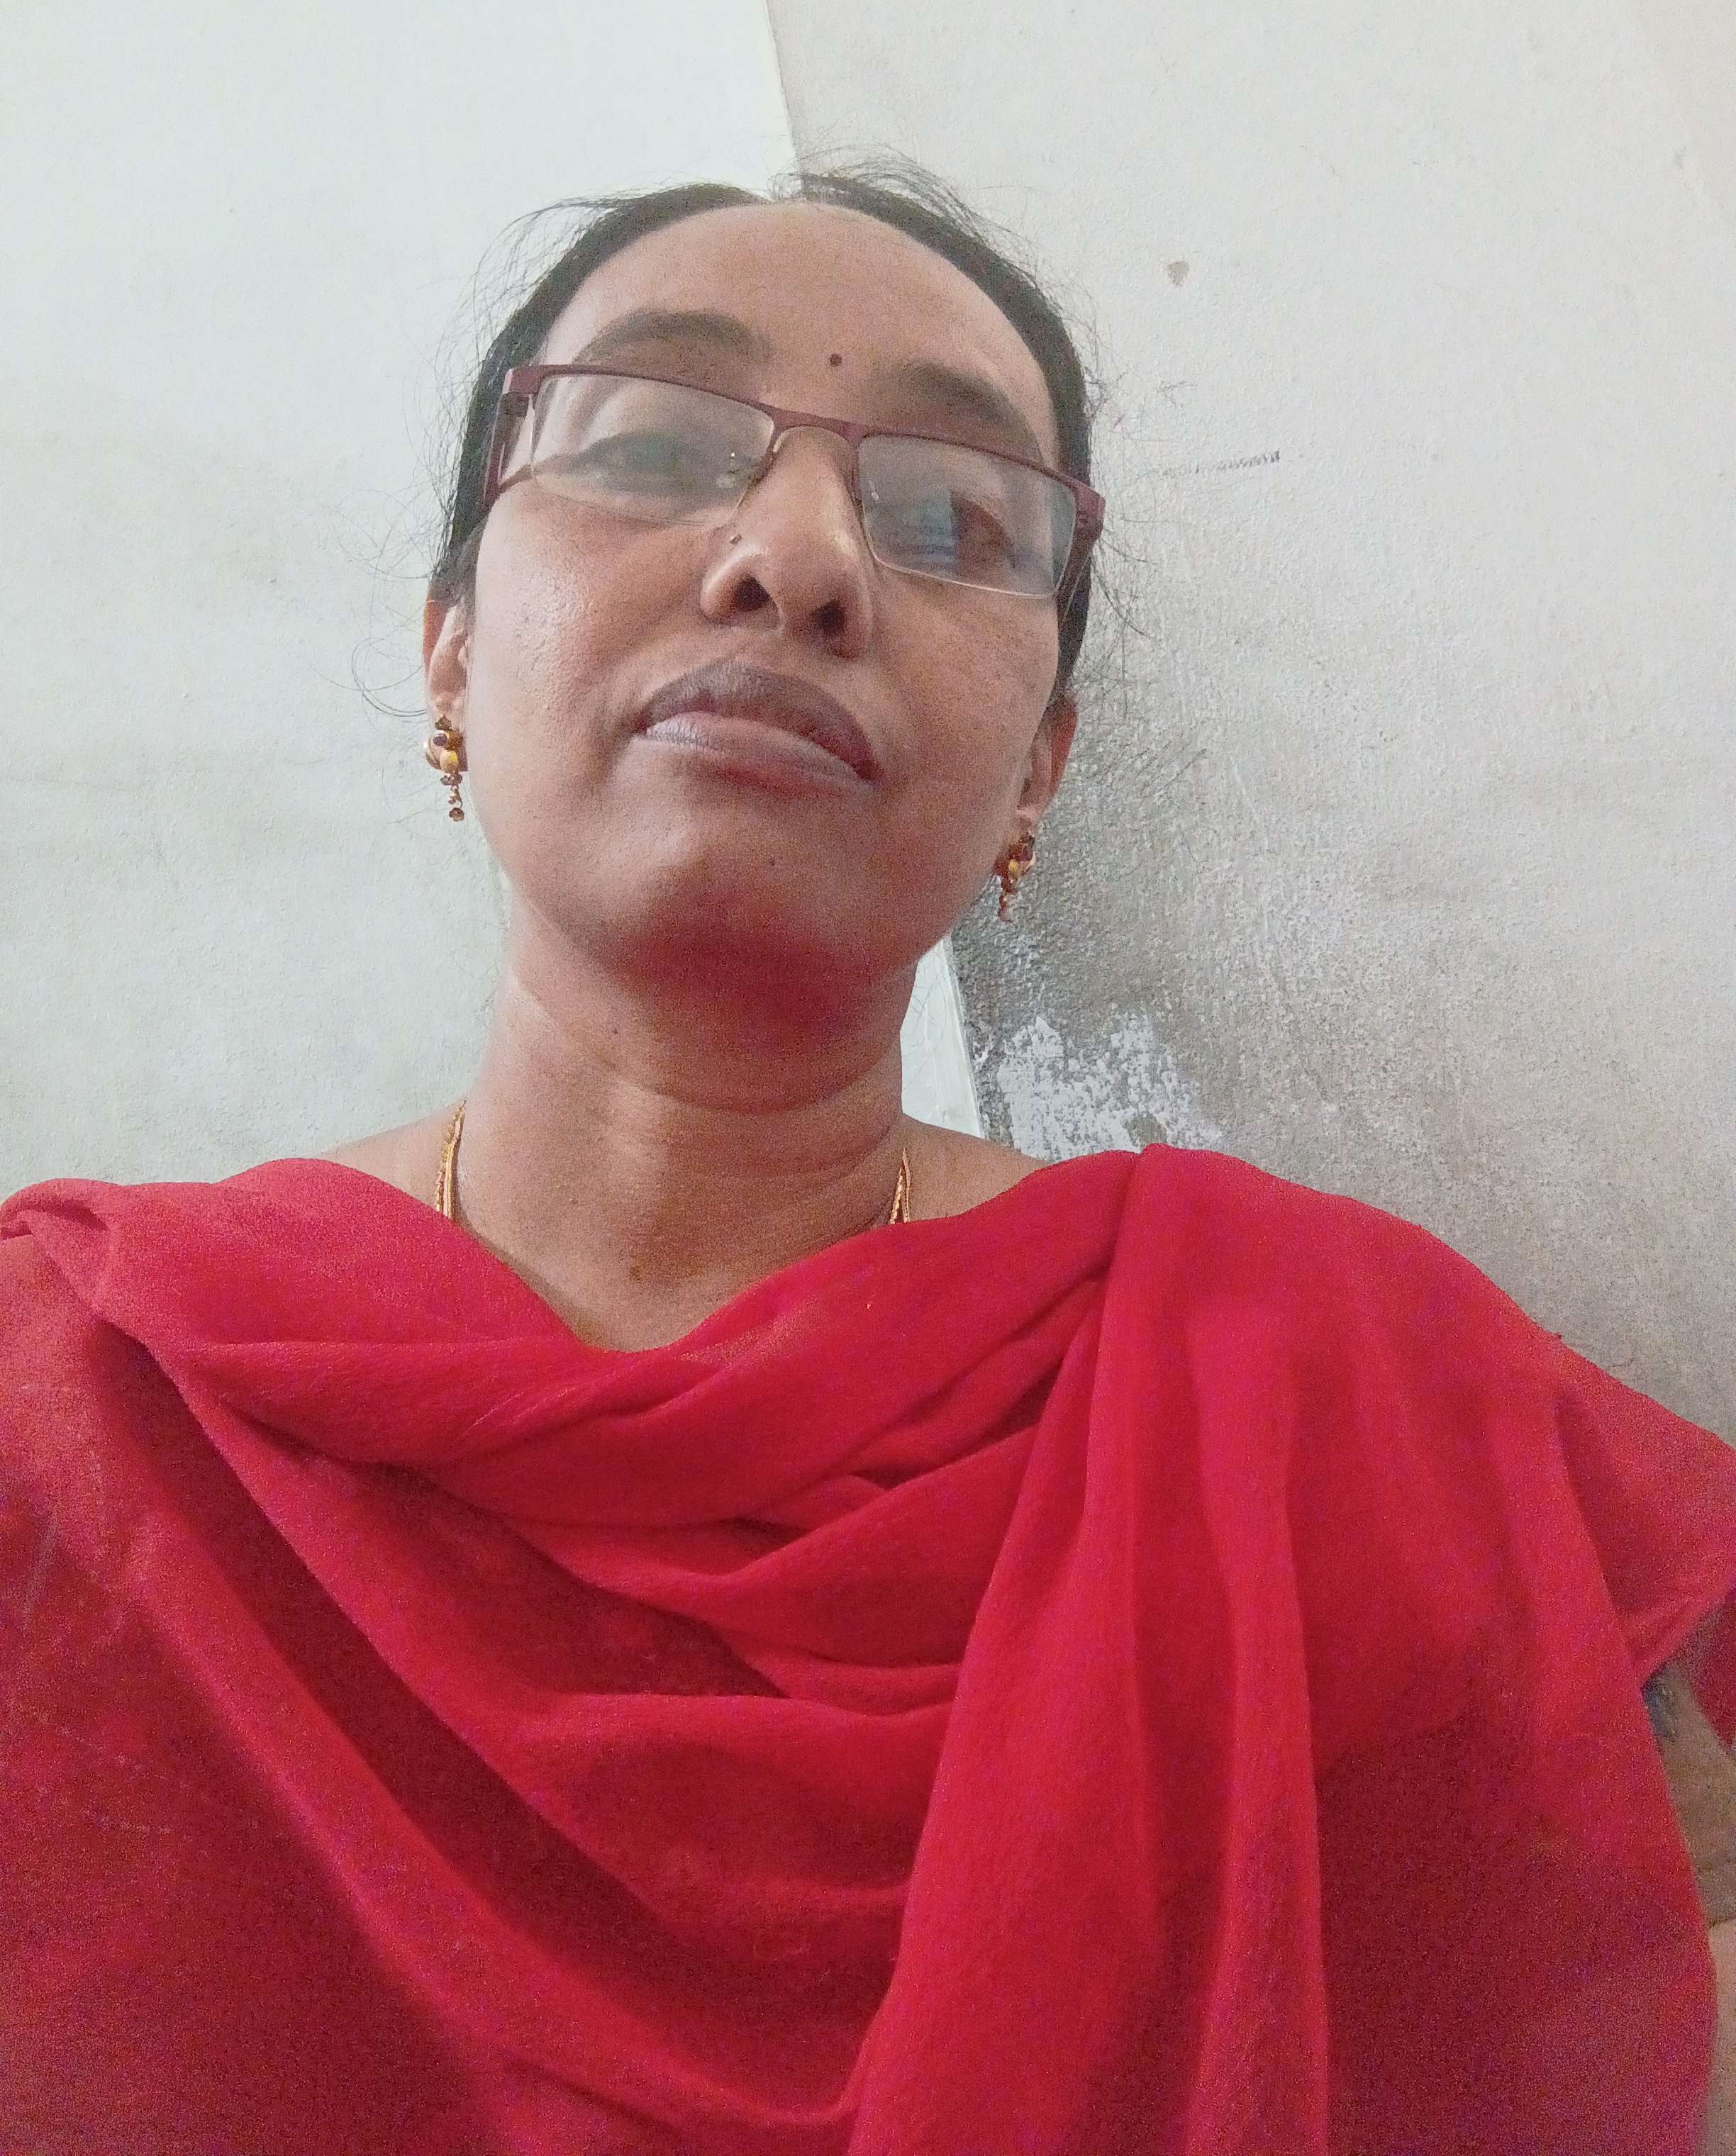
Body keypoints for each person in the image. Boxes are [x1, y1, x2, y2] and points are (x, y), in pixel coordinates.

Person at [4, 158, 1735, 2156]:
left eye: (952, 518)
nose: (799, 557)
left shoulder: (1336, 1387)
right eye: (649, 447)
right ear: (453, 647)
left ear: (1038, 773)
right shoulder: (78, 1405)